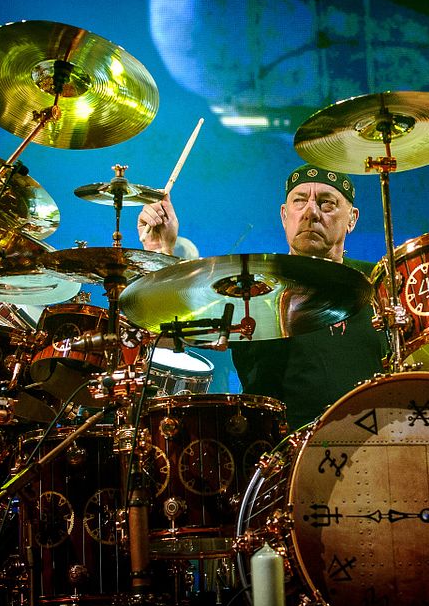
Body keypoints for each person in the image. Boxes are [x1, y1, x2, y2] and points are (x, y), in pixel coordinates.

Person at [138, 164, 387, 429]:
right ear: (284, 215)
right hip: (278, 452)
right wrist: (159, 251)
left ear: (352, 218)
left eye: (327, 203)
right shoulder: (249, 287)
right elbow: (162, 335)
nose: (310, 212)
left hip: (379, 441)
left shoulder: (379, 281)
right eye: (299, 202)